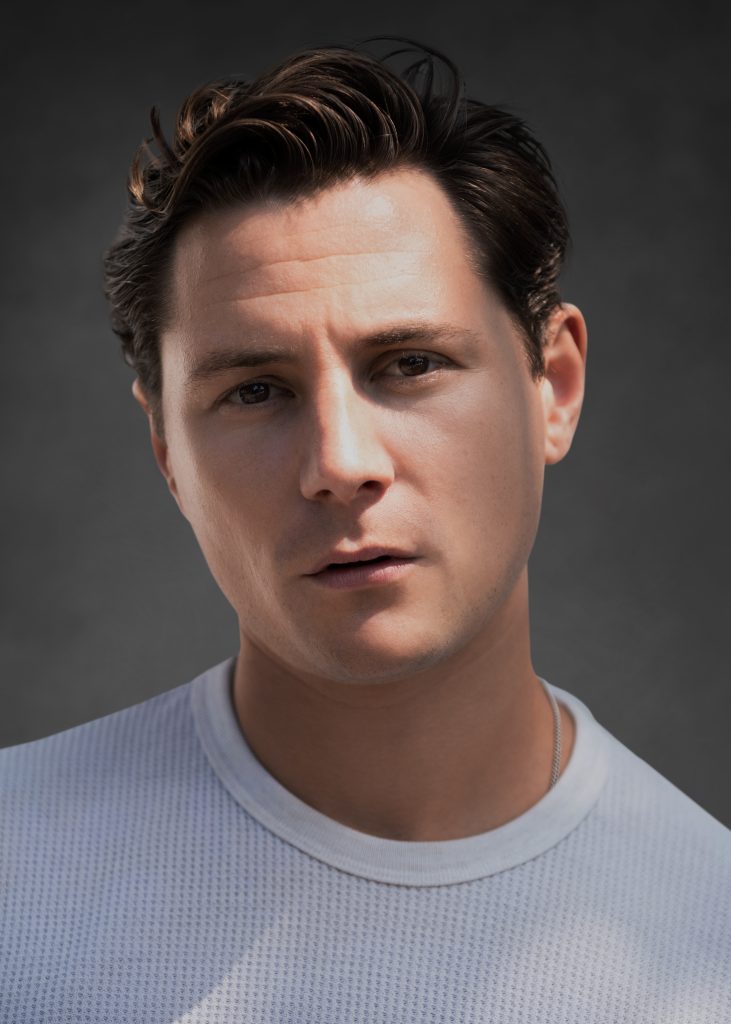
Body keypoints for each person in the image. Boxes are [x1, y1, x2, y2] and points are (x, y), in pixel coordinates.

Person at [1, 40, 729, 1023]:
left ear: (550, 385)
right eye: (256, 389)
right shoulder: (17, 882)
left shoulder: (706, 944)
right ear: (165, 446)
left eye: (410, 363)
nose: (340, 462)